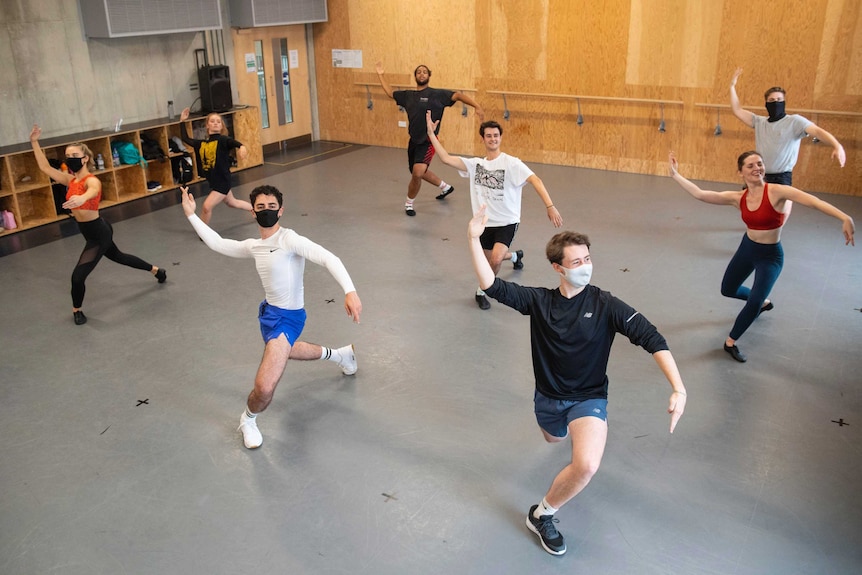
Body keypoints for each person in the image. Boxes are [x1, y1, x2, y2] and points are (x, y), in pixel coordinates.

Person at [467, 205, 687, 556]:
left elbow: (651, 337)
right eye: (576, 262)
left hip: (589, 398)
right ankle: (561, 429)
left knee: (585, 465)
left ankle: (542, 514)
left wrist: (678, 386)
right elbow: (491, 285)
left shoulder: (606, 304)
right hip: (549, 398)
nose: (585, 266)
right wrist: (473, 239)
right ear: (557, 268)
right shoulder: (539, 301)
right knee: (554, 439)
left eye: (587, 258)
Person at [180, 183, 362, 449]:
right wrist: (191, 215)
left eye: (272, 207)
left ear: (281, 211)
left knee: (264, 387)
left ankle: (248, 419)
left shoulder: (289, 240)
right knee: (286, 350)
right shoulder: (254, 246)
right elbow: (218, 243)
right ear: (253, 213)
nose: (267, 211)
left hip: (289, 318)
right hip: (268, 314)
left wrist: (350, 291)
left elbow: (328, 258)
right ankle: (340, 355)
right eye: (261, 207)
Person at [668, 151, 854, 362]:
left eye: (759, 163)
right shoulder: (738, 198)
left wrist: (844, 216)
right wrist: (675, 175)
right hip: (747, 249)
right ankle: (763, 302)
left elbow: (814, 201)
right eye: (750, 165)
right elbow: (700, 194)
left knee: (753, 302)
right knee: (728, 289)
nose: (757, 168)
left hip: (770, 256)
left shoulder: (778, 191)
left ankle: (731, 341)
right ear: (740, 172)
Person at [29, 124, 166, 326]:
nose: (70, 158)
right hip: (92, 231)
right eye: (67, 155)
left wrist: (81, 198)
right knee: (119, 256)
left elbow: (93, 190)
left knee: (77, 277)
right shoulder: (70, 180)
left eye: (74, 154)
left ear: (85, 158)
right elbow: (45, 168)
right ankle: (157, 270)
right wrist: (34, 142)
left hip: (98, 234)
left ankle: (77, 311)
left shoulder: (91, 180)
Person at [426, 111, 563, 309]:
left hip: (507, 221)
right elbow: (446, 158)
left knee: (496, 259)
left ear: (500, 138)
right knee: (491, 259)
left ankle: (482, 289)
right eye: (488, 136)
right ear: (483, 139)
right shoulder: (475, 165)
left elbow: (535, 180)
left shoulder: (511, 163)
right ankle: (515, 256)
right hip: (484, 223)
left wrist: (550, 206)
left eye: (496, 135)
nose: (492, 138)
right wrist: (431, 134)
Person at [375, 61, 485, 216]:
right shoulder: (408, 96)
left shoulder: (438, 95)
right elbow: (390, 93)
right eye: (419, 71)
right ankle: (445, 187)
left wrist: (477, 106)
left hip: (428, 142)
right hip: (413, 141)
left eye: (424, 71)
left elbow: (459, 95)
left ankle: (409, 203)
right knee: (417, 171)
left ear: (429, 76)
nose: (421, 73)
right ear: (415, 76)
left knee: (417, 173)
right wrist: (381, 75)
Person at [730, 68, 846, 186]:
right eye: (772, 100)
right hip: (760, 174)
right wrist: (732, 87)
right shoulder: (759, 122)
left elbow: (817, 131)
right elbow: (737, 110)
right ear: (766, 103)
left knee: (781, 204)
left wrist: (837, 145)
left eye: (779, 100)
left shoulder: (794, 121)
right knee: (748, 202)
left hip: (782, 176)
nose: (775, 102)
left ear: (784, 102)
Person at [179, 107, 252, 225]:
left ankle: (203, 232)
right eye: (212, 121)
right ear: (207, 125)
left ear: (221, 126)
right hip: (214, 182)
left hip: (223, 182)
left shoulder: (223, 140)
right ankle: (256, 211)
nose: (215, 123)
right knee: (232, 203)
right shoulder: (202, 144)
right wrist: (182, 121)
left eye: (218, 122)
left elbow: (234, 143)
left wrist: (242, 147)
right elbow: (185, 139)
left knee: (206, 207)